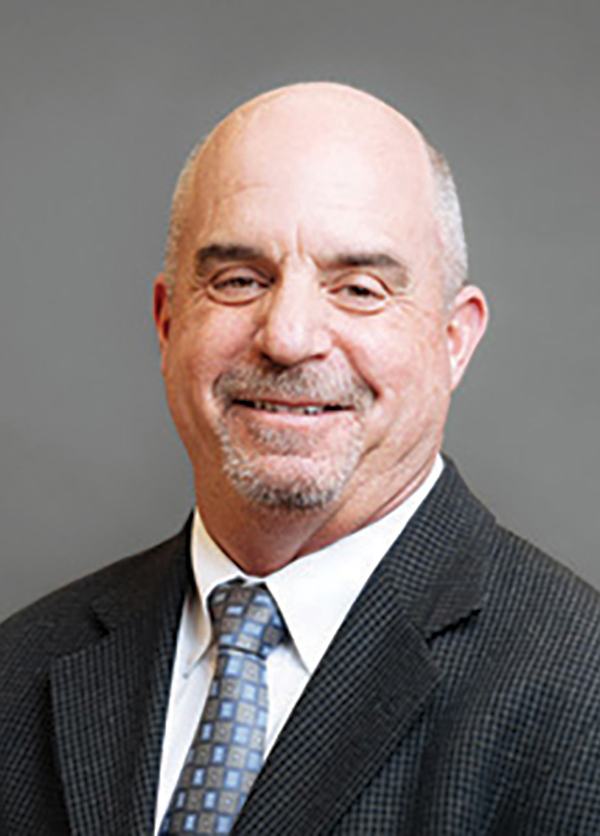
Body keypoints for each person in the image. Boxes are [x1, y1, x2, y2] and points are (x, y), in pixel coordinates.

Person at [1, 82, 600, 836]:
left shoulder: (584, 698)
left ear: (454, 340)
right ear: (167, 322)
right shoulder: (19, 671)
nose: (287, 336)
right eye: (239, 280)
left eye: (358, 288)